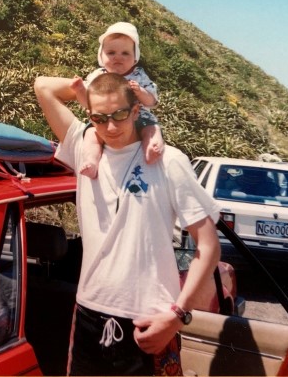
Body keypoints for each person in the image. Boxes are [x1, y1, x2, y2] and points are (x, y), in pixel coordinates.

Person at [33, 72, 221, 376]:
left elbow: (209, 248)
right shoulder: (84, 149)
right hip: (88, 316)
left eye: (120, 114)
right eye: (99, 118)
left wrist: (177, 316)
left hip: (150, 322)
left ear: (136, 111)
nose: (110, 127)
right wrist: (89, 88)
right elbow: (43, 87)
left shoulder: (167, 161)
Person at [62, 22, 164, 178]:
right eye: (111, 53)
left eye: (125, 53)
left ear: (135, 57)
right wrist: (80, 90)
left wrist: (140, 92)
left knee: (151, 129)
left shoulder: (139, 76)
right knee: (90, 134)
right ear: (101, 56)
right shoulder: (97, 76)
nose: (118, 58)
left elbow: (151, 102)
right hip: (104, 119)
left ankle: (152, 148)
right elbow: (87, 103)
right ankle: (91, 161)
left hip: (140, 116)